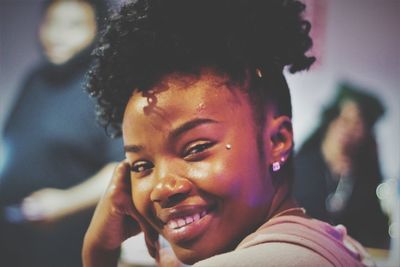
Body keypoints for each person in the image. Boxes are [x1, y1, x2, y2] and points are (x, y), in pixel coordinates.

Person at [82, 0, 374, 266]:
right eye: (142, 165)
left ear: (277, 141)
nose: (162, 188)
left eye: (195, 149)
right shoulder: (333, 243)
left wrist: (96, 252)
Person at [0, 0, 122, 266]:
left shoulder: (103, 85)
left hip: (62, 245)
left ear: (96, 31)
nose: (58, 34)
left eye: (74, 25)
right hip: (12, 236)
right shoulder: (36, 78)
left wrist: (64, 202)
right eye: (52, 22)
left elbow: (121, 168)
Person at [293, 83, 390, 249]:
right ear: (331, 120)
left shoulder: (365, 176)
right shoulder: (301, 165)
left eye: (357, 123)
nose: (348, 129)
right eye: (344, 119)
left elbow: (375, 231)